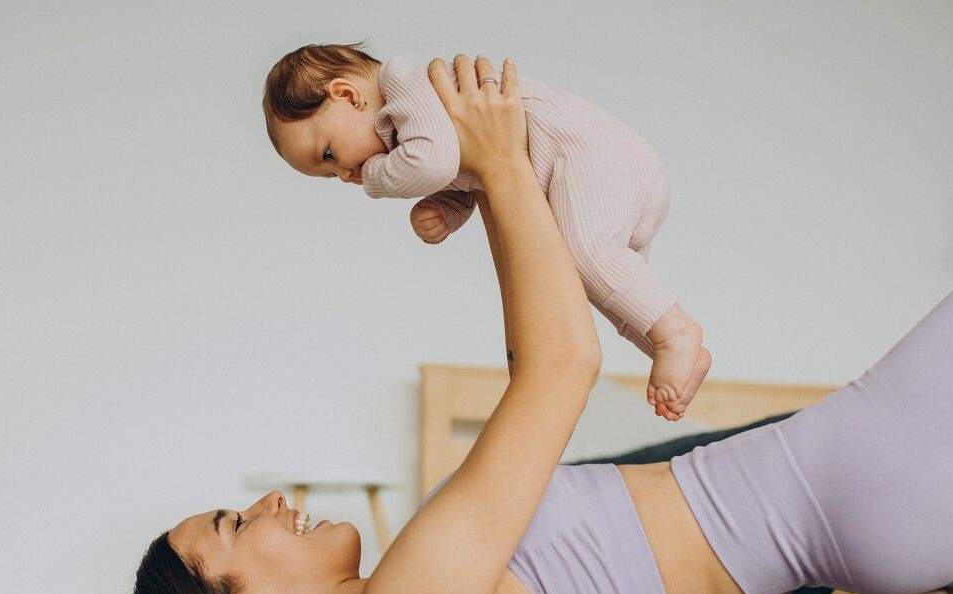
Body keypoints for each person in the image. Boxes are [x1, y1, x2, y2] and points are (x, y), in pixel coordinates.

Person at [126, 55, 953, 594]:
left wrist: (496, 177)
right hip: (862, 473)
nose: (271, 504)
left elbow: (534, 356)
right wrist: (495, 159)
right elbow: (564, 364)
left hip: (859, 484)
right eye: (235, 524)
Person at [262, 42, 710, 420]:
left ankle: (675, 334)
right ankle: (668, 349)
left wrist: (377, 179)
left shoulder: (404, 85)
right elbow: (468, 173)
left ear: (346, 94)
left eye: (328, 154)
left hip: (594, 155)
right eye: (329, 177)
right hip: (605, 169)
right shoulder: (412, 127)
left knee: (585, 256)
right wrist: (445, 209)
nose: (344, 174)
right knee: (587, 280)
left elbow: (433, 162)